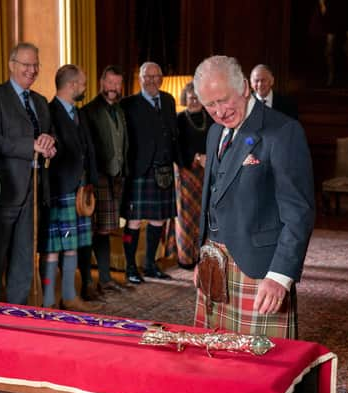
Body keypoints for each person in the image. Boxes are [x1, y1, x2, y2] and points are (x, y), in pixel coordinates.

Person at [192, 55, 315, 339]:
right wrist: (203, 257)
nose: (220, 112)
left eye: (224, 100)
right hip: (214, 263)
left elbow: (299, 213)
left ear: (245, 88)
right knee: (211, 356)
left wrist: (279, 277)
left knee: (261, 370)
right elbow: (211, 199)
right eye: (210, 105)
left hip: (259, 271)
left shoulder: (283, 132)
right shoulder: (213, 133)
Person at [0, 43, 56, 305]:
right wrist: (30, 146)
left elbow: (50, 136)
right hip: (5, 189)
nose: (32, 70)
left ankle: (17, 311)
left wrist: (48, 143)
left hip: (35, 189)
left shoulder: (41, 102)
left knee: (25, 256)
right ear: (12, 65)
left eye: (35, 65)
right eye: (26, 64)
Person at [40, 64, 102, 312]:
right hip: (59, 190)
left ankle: (69, 296)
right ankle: (47, 302)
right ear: (72, 85)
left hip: (79, 191)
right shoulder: (49, 111)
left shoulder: (79, 113)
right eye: (83, 83)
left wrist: (91, 183)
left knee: (72, 246)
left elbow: (88, 149)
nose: (85, 88)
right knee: (53, 249)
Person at [120, 62, 180, 284]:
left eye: (157, 76)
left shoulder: (168, 100)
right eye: (148, 76)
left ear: (162, 78)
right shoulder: (128, 105)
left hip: (163, 170)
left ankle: (150, 265)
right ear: (140, 79)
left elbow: (173, 133)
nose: (152, 80)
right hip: (139, 171)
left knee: (158, 220)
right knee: (134, 221)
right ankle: (130, 268)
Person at [80, 65, 133, 296]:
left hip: (116, 176)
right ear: (102, 82)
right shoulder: (89, 110)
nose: (113, 88)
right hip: (98, 176)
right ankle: (87, 283)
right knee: (91, 231)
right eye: (110, 83)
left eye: (117, 84)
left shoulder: (120, 110)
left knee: (105, 230)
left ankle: (105, 278)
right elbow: (89, 149)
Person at [169, 81, 213, 269]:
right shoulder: (178, 119)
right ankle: (186, 258)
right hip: (186, 173)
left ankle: (205, 255)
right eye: (190, 97)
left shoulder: (211, 117)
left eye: (197, 97)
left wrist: (208, 158)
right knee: (186, 218)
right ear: (184, 99)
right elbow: (175, 147)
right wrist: (194, 157)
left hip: (208, 171)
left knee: (206, 215)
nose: (194, 100)